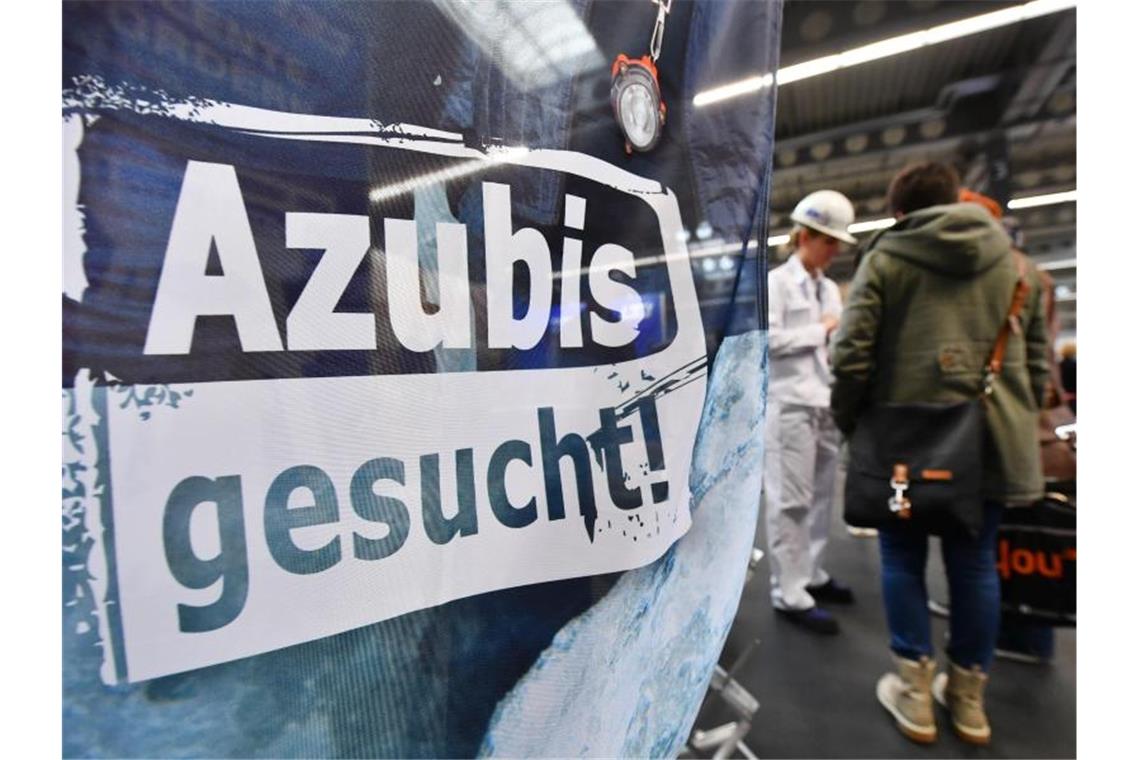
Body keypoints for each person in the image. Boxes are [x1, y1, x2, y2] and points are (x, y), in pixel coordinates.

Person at [831, 163, 1048, 745]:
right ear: (955, 201)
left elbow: (851, 352)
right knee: (976, 564)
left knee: (901, 559)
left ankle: (913, 693)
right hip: (990, 441)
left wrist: (851, 420)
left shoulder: (887, 255)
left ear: (901, 212)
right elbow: (1036, 363)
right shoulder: (1015, 264)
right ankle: (969, 700)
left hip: (903, 440)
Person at [762, 189, 858, 636]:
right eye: (828, 241)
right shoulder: (776, 284)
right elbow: (768, 342)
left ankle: (813, 575)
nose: (834, 250)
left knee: (821, 500)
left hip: (823, 403)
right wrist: (818, 331)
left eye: (837, 243)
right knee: (791, 501)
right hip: (790, 405)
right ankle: (790, 592)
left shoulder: (830, 290)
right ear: (804, 235)